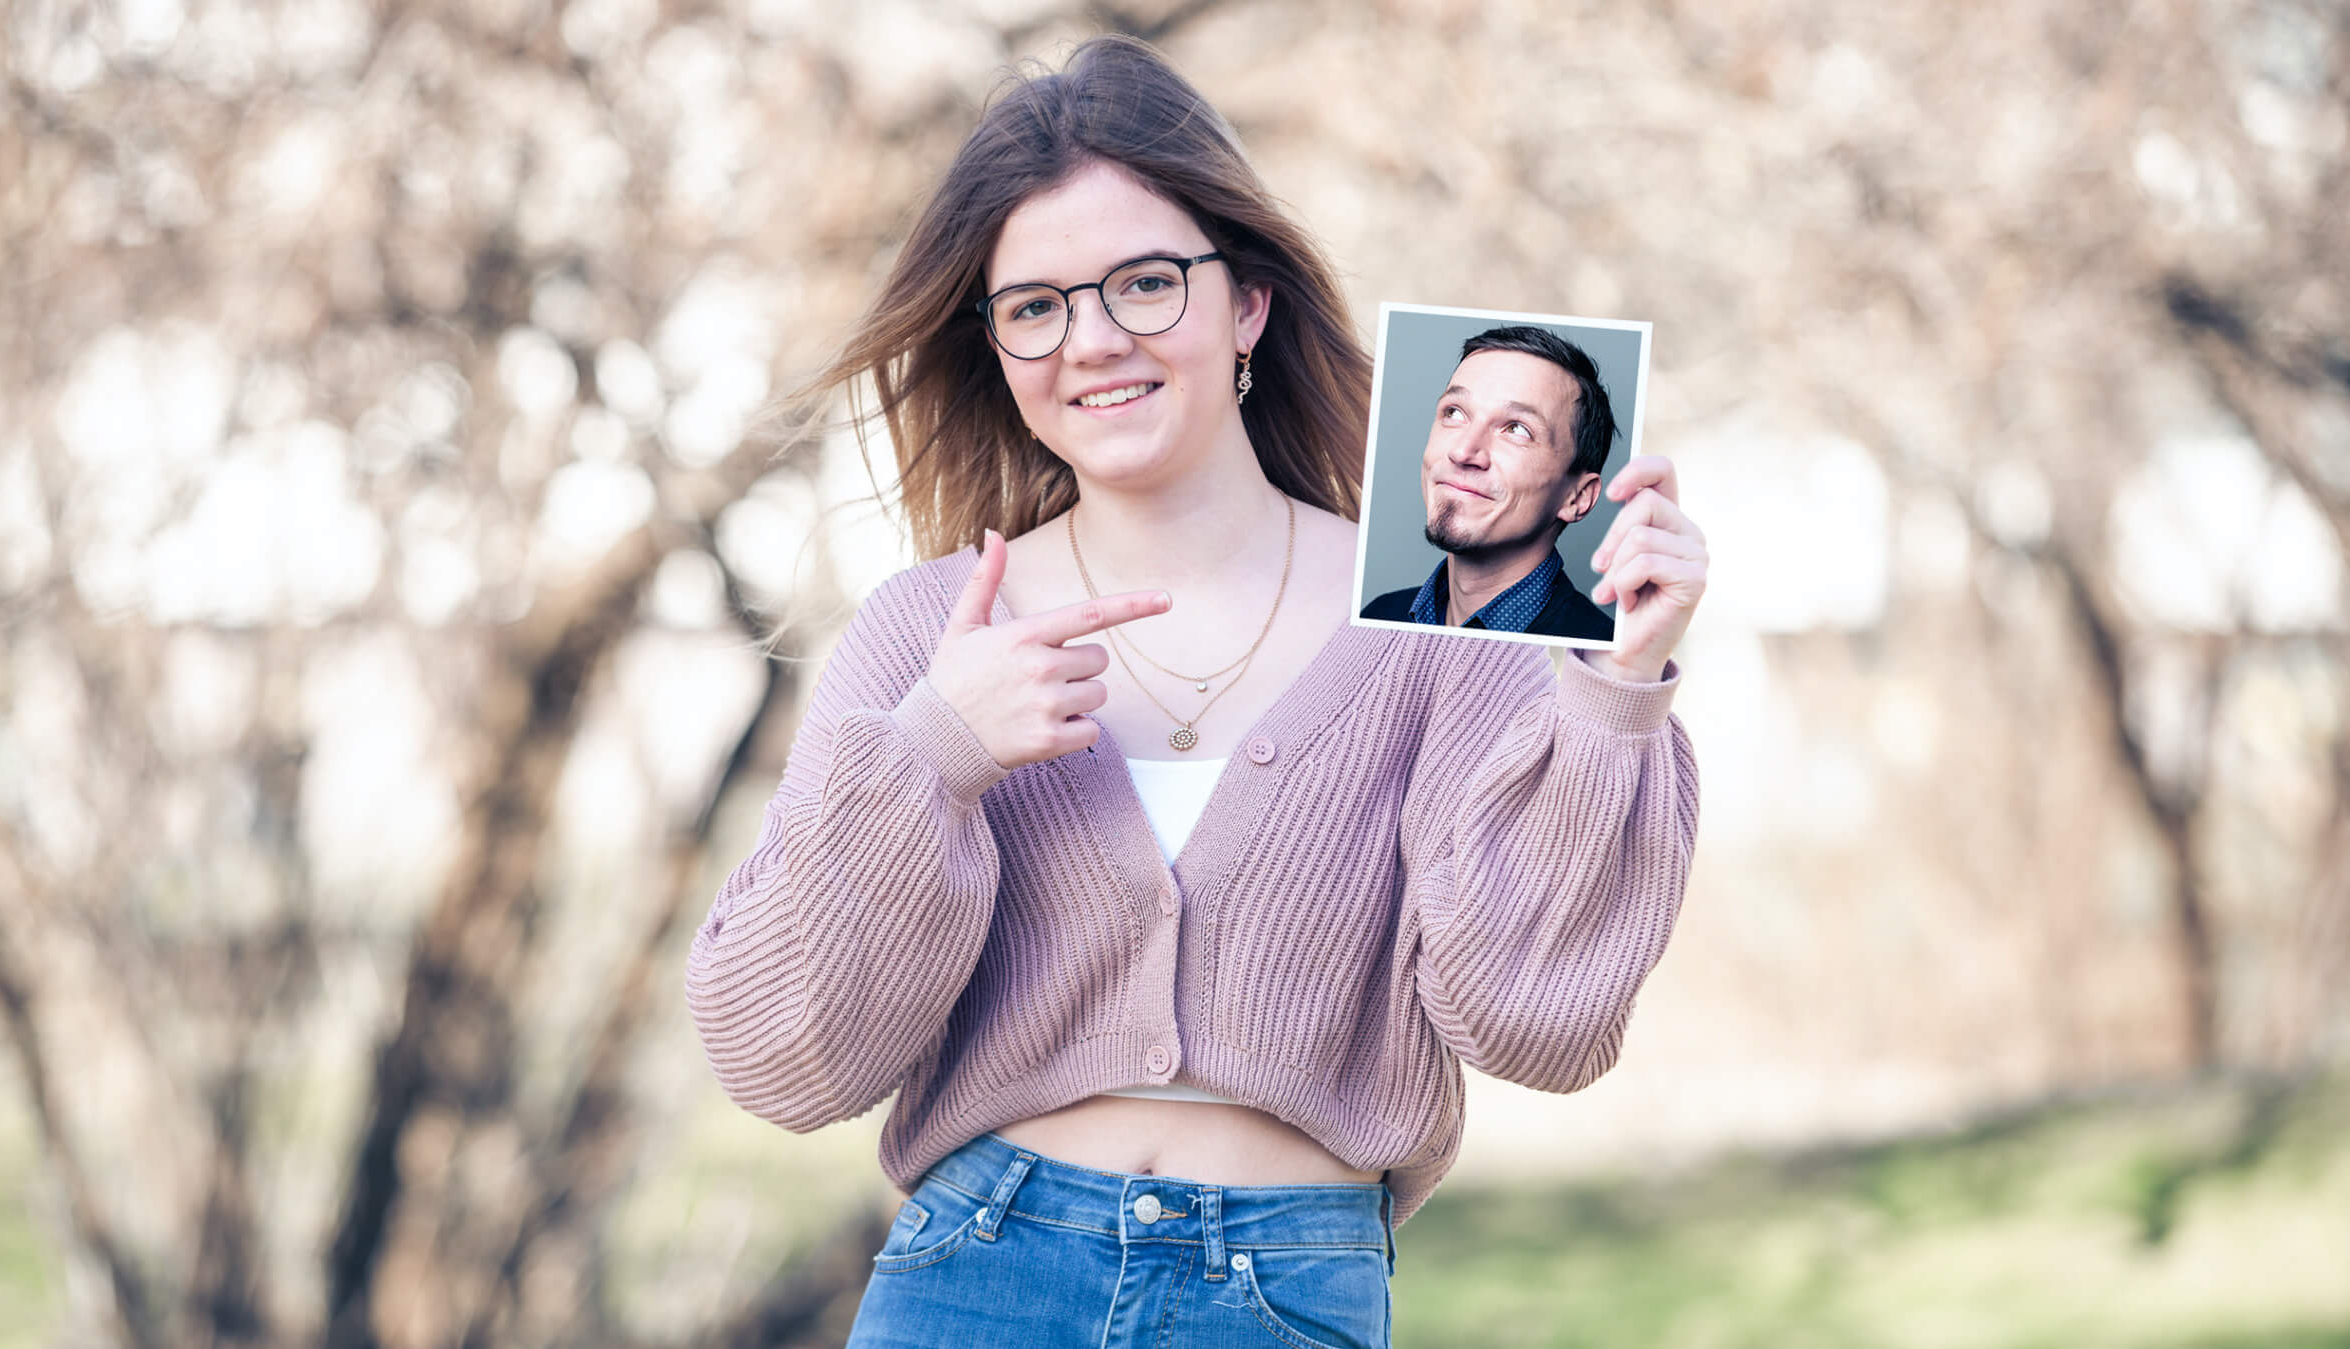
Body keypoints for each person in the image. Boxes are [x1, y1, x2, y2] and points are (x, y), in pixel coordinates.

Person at [684, 35, 1709, 1349]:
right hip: (975, 1275)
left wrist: (1618, 684)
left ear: (1249, 306)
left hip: (1286, 1293)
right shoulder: (928, 632)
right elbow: (779, 1055)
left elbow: (1537, 1023)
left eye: (1147, 283)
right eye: (1036, 306)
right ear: (996, 345)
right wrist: (934, 754)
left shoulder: (1436, 618)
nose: (1093, 340)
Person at [1360, 324, 1621, 641]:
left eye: (1517, 430)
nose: (1463, 451)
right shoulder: (1377, 616)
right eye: (1454, 412)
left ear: (1577, 497)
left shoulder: (1602, 657)